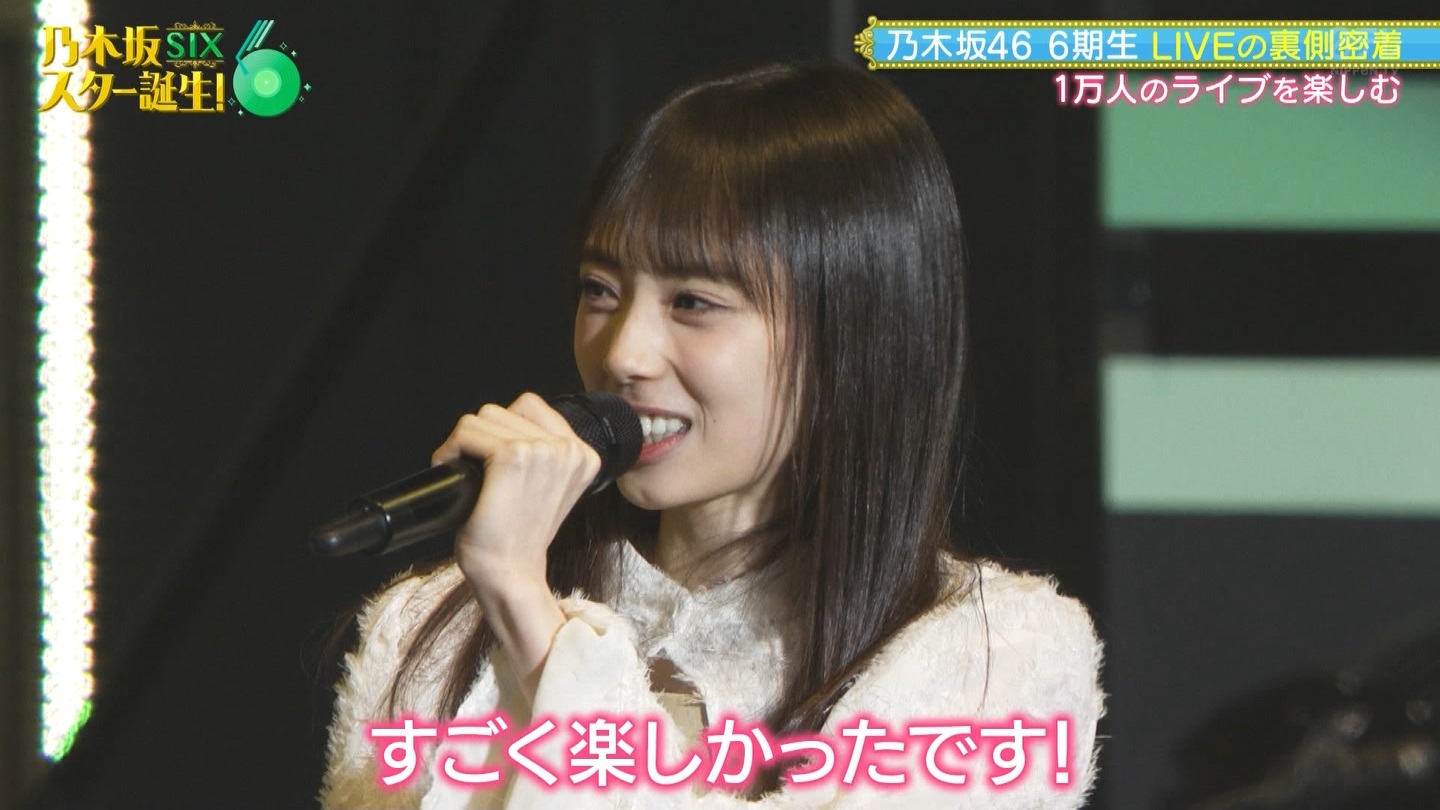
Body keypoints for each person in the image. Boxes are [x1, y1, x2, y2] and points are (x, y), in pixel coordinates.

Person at [319, 59, 1104, 809]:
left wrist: (537, 629)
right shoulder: (434, 623)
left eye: (693, 302)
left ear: (855, 336)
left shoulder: (996, 651)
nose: (623, 354)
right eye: (600, 289)